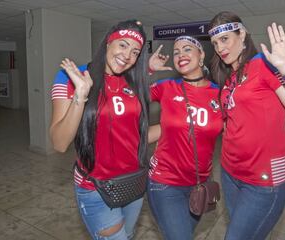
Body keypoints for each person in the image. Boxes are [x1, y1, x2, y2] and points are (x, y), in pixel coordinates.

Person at [208, 11, 285, 240]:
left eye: (225, 39)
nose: (219, 47)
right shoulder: (229, 78)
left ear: (242, 34)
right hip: (230, 172)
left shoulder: (262, 65)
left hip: (263, 179)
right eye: (215, 42)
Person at [49, 20, 150, 240]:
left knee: (128, 234)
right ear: (107, 43)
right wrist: (81, 94)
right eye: (123, 45)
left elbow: (135, 135)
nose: (128, 55)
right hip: (96, 188)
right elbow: (59, 143)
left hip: (134, 183)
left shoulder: (133, 81)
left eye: (135, 52)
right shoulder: (71, 76)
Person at [147, 36, 224, 240]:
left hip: (200, 183)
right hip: (165, 182)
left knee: (185, 232)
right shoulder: (166, 86)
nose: (180, 54)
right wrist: (149, 70)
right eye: (176, 52)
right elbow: (131, 95)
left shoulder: (219, 94)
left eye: (187, 49)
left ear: (201, 56)